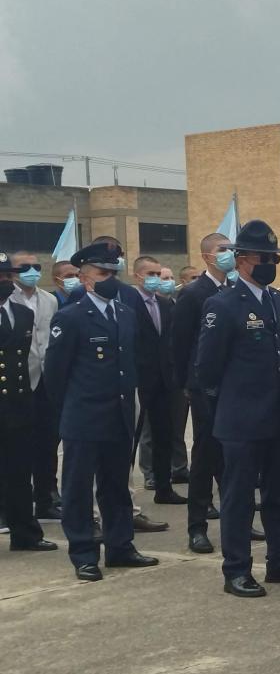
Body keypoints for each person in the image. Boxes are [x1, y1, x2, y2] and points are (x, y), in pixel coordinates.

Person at [197, 219, 280, 597]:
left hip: (279, 414)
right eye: (264, 257)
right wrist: (234, 402)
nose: (270, 263)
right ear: (243, 259)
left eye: (274, 257)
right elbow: (208, 368)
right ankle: (236, 569)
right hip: (242, 418)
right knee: (239, 496)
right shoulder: (222, 304)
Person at [44, 241, 157, 579]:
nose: (110, 278)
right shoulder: (71, 316)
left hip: (118, 412)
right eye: (103, 273)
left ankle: (120, 546)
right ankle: (83, 553)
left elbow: (131, 363)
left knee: (116, 485)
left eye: (113, 272)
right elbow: (55, 375)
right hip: (84, 415)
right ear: (85, 278)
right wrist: (70, 410)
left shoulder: (124, 312)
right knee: (79, 488)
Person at [172, 232, 236, 553]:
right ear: (208, 257)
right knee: (206, 454)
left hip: (234, 386)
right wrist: (187, 385)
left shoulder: (236, 290)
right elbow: (181, 344)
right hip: (203, 387)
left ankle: (236, 520)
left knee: (233, 456)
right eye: (223, 250)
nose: (230, 254)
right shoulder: (194, 293)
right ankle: (197, 526)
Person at [0, 251, 57, 553]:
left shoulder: (23, 314)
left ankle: (25, 533)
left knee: (19, 471)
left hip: (18, 403)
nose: (4, 281)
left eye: (7, 276)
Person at [9, 251, 62, 519]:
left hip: (46, 380)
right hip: (16, 381)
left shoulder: (50, 300)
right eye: (24, 267)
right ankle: (12, 505)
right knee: (16, 446)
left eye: (36, 266)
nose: (32, 271)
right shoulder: (6, 299)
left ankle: (47, 497)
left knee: (48, 442)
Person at [130, 255, 186, 506]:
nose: (154, 279)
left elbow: (172, 341)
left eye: (157, 274)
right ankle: (131, 487)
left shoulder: (165, 304)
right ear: (137, 276)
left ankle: (164, 487)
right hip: (139, 380)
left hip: (165, 380)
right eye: (150, 274)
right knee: (136, 436)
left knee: (165, 434)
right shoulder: (128, 303)